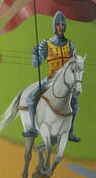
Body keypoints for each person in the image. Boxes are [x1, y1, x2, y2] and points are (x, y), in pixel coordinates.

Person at [31, 10, 80, 140]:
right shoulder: (46, 44)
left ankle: (70, 132)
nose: (61, 27)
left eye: (63, 24)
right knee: (31, 98)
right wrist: (35, 56)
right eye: (58, 24)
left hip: (65, 83)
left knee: (74, 105)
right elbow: (36, 64)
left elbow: (74, 63)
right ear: (54, 26)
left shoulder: (70, 45)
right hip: (50, 79)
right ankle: (32, 127)